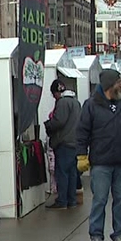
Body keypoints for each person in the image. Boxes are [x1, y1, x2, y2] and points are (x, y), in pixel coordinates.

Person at [77, 69, 121, 241]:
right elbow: (82, 131)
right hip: (101, 162)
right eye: (118, 82)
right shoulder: (91, 105)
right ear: (109, 84)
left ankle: (119, 234)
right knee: (100, 199)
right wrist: (81, 155)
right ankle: (96, 235)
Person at [45, 79, 82, 209]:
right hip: (74, 142)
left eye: (53, 94)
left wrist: (48, 125)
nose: (54, 97)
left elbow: (58, 122)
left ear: (57, 92)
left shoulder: (62, 103)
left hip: (63, 142)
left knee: (62, 173)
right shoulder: (76, 102)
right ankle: (71, 200)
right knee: (72, 173)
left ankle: (62, 201)